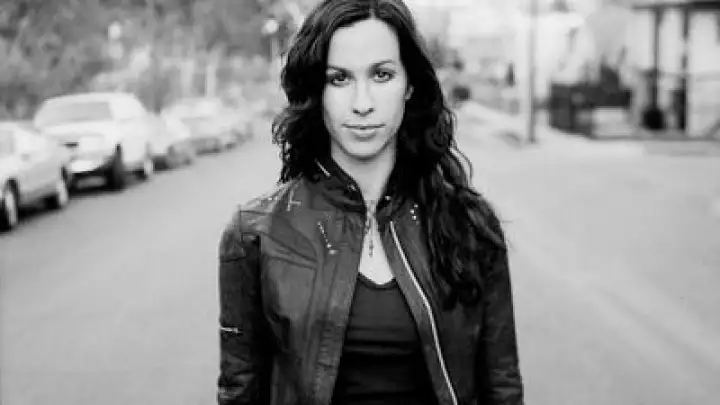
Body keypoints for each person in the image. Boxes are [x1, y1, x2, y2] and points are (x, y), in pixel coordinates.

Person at [217, 0, 524, 404]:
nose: (362, 103)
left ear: (409, 84)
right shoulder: (255, 234)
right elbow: (239, 392)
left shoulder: (468, 225)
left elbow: (502, 387)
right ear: (317, 91)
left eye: (381, 75)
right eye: (339, 78)